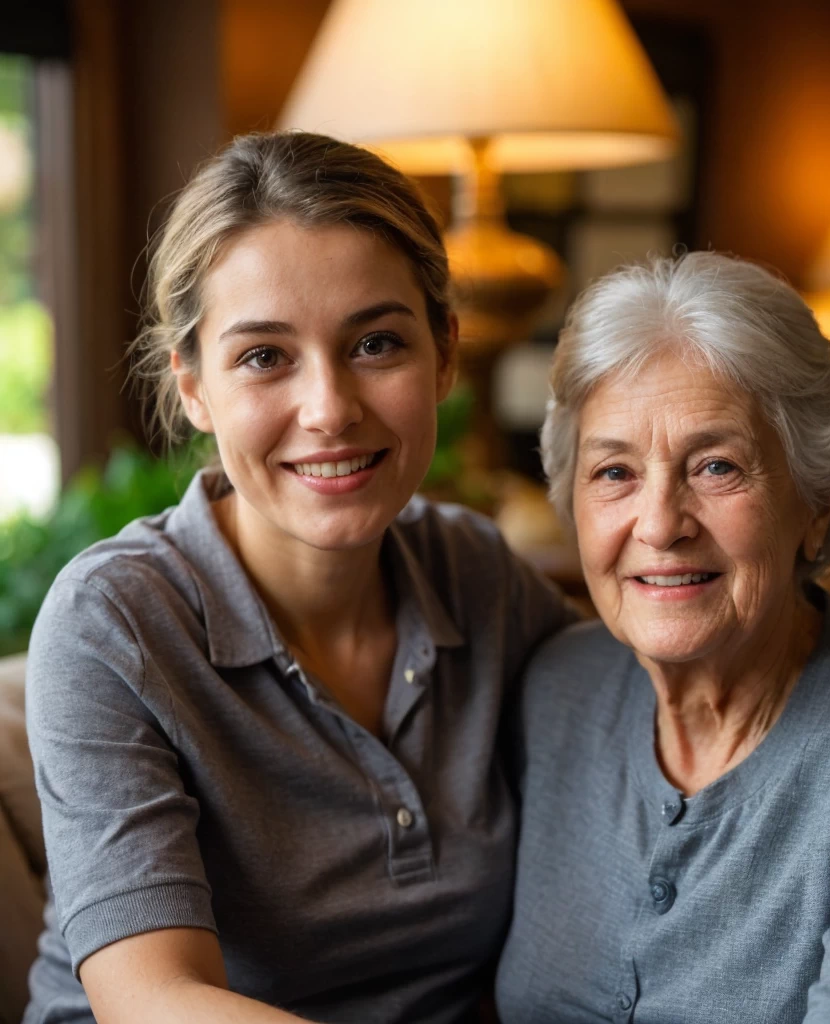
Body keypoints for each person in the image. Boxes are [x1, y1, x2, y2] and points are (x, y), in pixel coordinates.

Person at [23, 131, 574, 1024]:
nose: (329, 409)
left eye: (376, 343)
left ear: (444, 353)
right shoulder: (114, 621)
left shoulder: (477, 574)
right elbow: (153, 999)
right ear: (195, 387)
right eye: (264, 357)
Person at [496, 252, 830, 1023]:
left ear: (817, 502)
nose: (659, 524)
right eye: (614, 473)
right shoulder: (555, 690)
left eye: (715, 466)